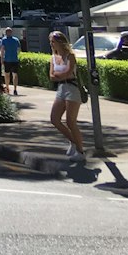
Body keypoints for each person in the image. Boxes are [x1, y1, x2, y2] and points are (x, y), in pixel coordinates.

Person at [48, 30, 85, 160]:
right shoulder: (53, 57)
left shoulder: (70, 56)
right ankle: (73, 142)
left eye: (54, 41)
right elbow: (52, 76)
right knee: (54, 119)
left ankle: (80, 152)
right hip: (61, 88)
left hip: (72, 88)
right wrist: (60, 76)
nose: (52, 44)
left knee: (70, 121)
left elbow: (68, 73)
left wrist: (60, 76)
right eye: (51, 41)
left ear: (60, 42)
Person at [2, 26, 21, 95]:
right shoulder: (16, 40)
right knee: (15, 74)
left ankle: (7, 88)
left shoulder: (4, 40)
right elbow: (19, 50)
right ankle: (15, 89)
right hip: (14, 59)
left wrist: (2, 59)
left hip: (7, 59)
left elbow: (2, 50)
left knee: (7, 74)